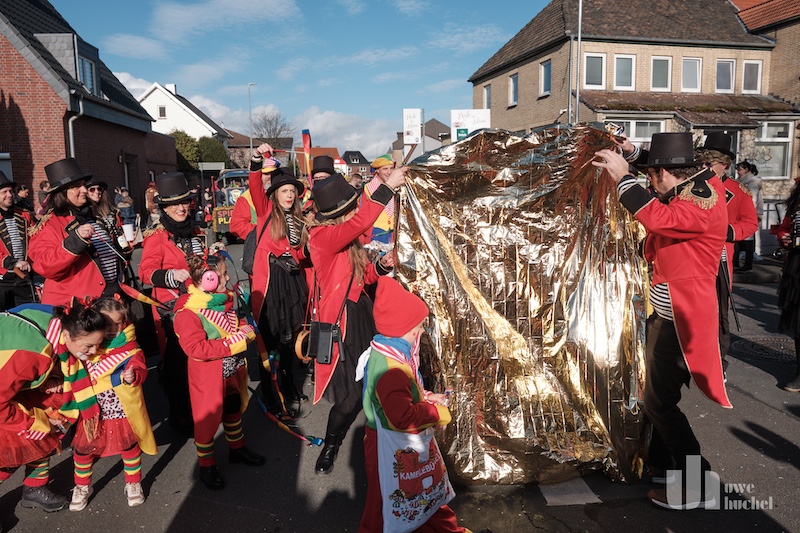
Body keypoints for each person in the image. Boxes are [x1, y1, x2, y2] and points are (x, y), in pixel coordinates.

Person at [593, 132, 730, 510]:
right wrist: (635, 154)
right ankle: (664, 469)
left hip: (684, 321)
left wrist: (624, 179)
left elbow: (658, 217)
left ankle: (699, 481)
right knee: (657, 399)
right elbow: (664, 178)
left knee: (659, 404)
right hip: (667, 317)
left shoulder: (700, 199)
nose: (650, 181)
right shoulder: (691, 181)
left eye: (653, 175)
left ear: (667, 174)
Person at [307, 166, 406, 475]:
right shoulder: (322, 237)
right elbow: (365, 218)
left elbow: (363, 278)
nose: (356, 213)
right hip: (340, 324)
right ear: (340, 213)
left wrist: (382, 266)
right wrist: (387, 186)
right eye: (351, 208)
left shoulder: (346, 239)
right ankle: (331, 445)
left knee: (371, 383)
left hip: (361, 315)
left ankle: (381, 446)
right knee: (348, 399)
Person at [357, 277, 468, 533]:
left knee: (419, 495)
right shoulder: (393, 368)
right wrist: (437, 412)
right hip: (392, 445)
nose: (420, 332)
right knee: (390, 503)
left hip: (392, 442)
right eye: (417, 327)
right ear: (402, 328)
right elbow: (401, 416)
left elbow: (402, 396)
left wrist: (426, 396)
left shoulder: (387, 351)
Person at [0, 302, 107, 513]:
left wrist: (52, 376)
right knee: (9, 446)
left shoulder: (64, 317)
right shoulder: (31, 354)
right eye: (88, 347)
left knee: (55, 407)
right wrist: (37, 422)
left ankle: (34, 486)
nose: (94, 352)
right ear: (66, 336)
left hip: (8, 376)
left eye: (98, 344)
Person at [172, 254, 265, 490]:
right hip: (208, 376)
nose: (227, 277)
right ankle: (206, 464)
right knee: (206, 423)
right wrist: (235, 343)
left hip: (231, 369)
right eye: (222, 274)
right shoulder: (188, 312)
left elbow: (234, 326)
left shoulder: (220, 301)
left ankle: (237, 448)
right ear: (206, 279)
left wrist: (246, 332)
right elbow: (195, 348)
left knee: (233, 408)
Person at [66, 297, 156, 511]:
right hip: (92, 411)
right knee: (84, 450)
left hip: (121, 410)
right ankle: (82, 486)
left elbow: (141, 368)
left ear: (124, 321)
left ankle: (133, 483)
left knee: (129, 447)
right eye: (107, 325)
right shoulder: (87, 346)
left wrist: (134, 375)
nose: (112, 329)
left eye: (117, 323)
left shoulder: (131, 348)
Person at [139, 171, 206, 435]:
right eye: (173, 204)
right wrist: (171, 276)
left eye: (184, 202)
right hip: (173, 311)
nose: (180, 208)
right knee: (179, 368)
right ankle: (182, 417)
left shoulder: (197, 230)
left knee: (201, 362)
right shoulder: (157, 236)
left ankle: (203, 410)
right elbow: (146, 272)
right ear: (164, 207)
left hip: (201, 306)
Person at [248, 144, 309, 412]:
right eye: (284, 190)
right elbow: (253, 185)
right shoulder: (265, 213)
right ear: (275, 194)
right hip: (271, 285)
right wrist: (255, 159)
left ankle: (289, 385)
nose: (288, 194)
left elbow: (302, 253)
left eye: (292, 191)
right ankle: (271, 391)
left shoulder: (300, 219)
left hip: (293, 284)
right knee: (270, 341)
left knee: (290, 339)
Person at [28, 158, 127, 306]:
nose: (84, 190)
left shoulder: (93, 216)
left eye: (83, 185)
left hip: (108, 298)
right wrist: (76, 240)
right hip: (74, 306)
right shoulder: (49, 224)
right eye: (76, 186)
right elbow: (44, 266)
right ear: (62, 193)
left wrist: (125, 249)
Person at [698, 133, 758, 376]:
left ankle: (718, 361)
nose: (704, 167)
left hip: (720, 260)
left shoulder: (738, 190)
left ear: (724, 164)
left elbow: (750, 223)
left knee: (719, 313)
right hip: (694, 258)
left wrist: (728, 231)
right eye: (702, 162)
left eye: (709, 163)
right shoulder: (693, 186)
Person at [776, 178, 800, 392]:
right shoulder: (797, 197)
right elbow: (785, 227)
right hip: (797, 266)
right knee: (799, 321)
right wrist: (784, 237)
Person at [0, 171, 36, 310]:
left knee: (27, 316)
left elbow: (35, 241)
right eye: (4, 192)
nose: (9, 195)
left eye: (10, 191)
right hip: (2, 280)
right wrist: (12, 262)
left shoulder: (24, 215)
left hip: (23, 278)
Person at [229, 157, 278, 241]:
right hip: (258, 244)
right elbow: (237, 226)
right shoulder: (246, 198)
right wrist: (262, 232)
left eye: (272, 173)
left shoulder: (280, 193)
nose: (270, 177)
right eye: (266, 174)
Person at [363, 154, 397, 258]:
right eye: (385, 169)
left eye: (391, 168)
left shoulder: (397, 188)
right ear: (377, 170)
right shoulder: (368, 189)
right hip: (376, 233)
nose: (389, 172)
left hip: (393, 233)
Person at [734, 161, 763, 271]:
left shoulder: (751, 182)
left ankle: (747, 264)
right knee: (742, 238)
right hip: (742, 213)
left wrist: (747, 213)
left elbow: (752, 199)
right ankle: (737, 262)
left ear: (746, 170)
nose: (738, 172)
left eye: (740, 169)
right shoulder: (742, 181)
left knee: (747, 239)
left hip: (747, 214)